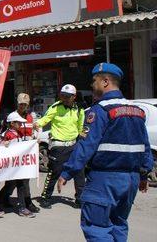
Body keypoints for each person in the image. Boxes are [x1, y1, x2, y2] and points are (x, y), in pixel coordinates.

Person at [58, 63, 153, 242]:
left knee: (97, 228)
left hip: (105, 180)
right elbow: (144, 146)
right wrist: (143, 174)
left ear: (105, 82)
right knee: (118, 224)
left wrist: (67, 172)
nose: (92, 85)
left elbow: (86, 145)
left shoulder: (100, 110)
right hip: (130, 181)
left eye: (95, 81)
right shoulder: (137, 111)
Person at [34, 83, 86, 208]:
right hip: (59, 147)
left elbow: (80, 128)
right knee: (54, 172)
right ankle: (45, 197)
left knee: (79, 172)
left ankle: (80, 199)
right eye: (63, 95)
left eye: (68, 96)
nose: (64, 98)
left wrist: (84, 135)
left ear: (74, 96)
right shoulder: (55, 107)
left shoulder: (79, 110)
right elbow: (44, 120)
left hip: (74, 145)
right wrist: (37, 124)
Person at [0, 112, 35, 219]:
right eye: (18, 122)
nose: (20, 124)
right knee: (12, 186)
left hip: (18, 166)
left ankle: (15, 206)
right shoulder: (7, 134)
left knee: (17, 185)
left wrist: (34, 141)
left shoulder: (19, 134)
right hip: (10, 167)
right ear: (12, 123)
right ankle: (0, 206)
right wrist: (3, 145)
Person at [14, 94, 39, 213]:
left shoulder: (30, 117)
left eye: (25, 104)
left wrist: (35, 136)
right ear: (17, 103)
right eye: (21, 104)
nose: (23, 106)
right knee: (19, 180)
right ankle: (22, 205)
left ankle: (27, 202)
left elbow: (31, 133)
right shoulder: (12, 117)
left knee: (25, 179)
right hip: (16, 153)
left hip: (27, 154)